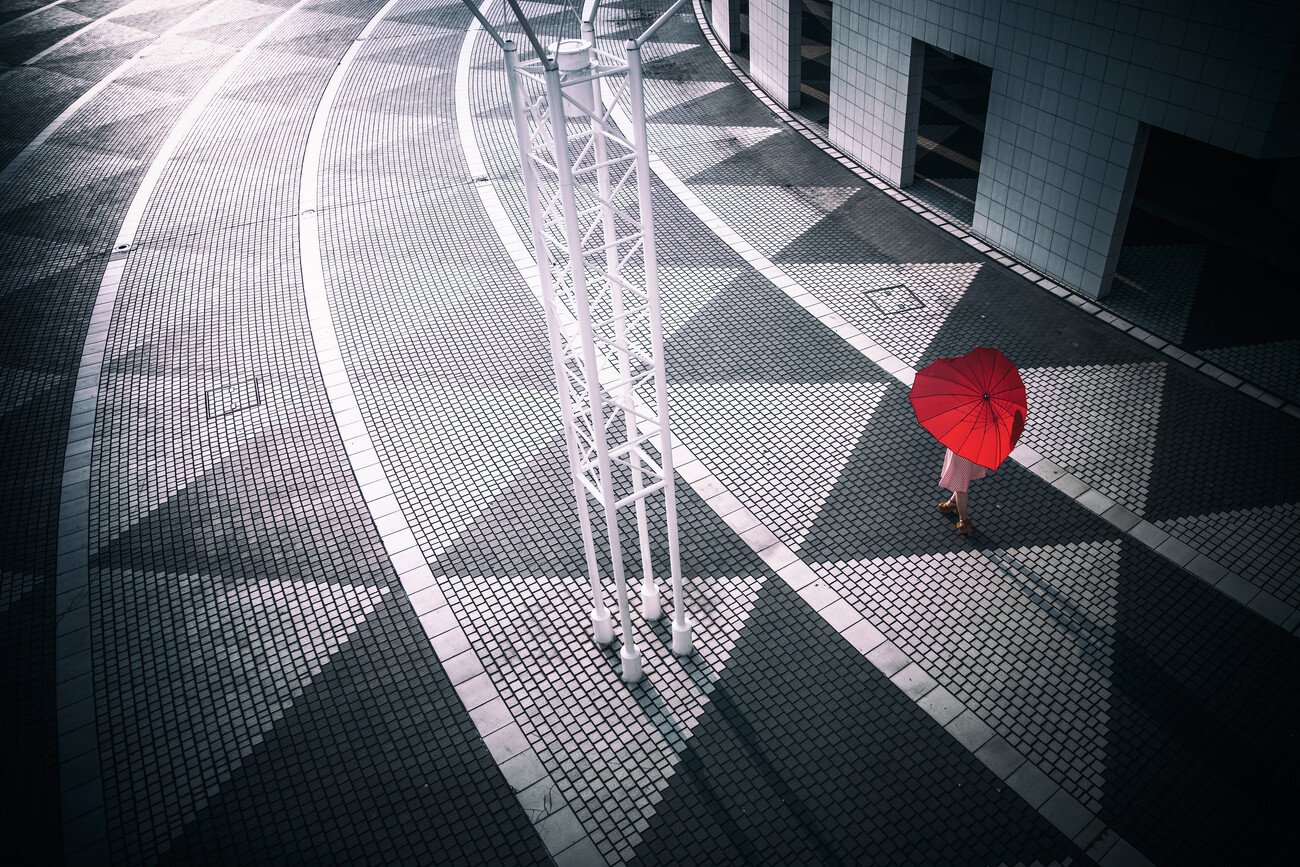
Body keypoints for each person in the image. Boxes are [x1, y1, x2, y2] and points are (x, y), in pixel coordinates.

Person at [936, 447, 988, 535]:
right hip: (973, 453)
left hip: (962, 455)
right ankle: (953, 503)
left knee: (960, 487)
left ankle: (963, 520)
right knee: (960, 483)